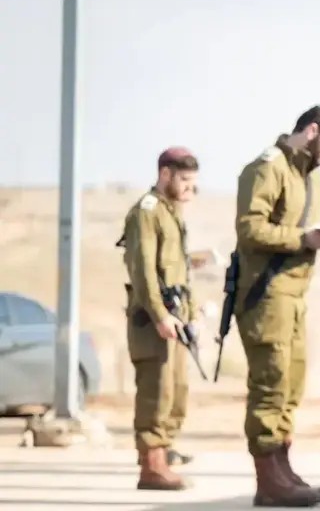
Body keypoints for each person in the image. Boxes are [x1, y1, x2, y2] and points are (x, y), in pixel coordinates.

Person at [234, 105, 320, 507]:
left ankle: (282, 468)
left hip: (294, 296)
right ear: (312, 130)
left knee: (290, 385)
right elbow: (250, 228)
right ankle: (268, 480)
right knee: (270, 385)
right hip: (266, 295)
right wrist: (304, 239)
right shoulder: (268, 167)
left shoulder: (309, 176)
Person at [119, 147, 200, 490]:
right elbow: (143, 271)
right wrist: (160, 314)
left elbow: (179, 270)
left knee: (176, 390)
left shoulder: (171, 213)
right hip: (153, 320)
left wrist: (191, 314)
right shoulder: (147, 212)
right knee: (156, 391)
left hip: (175, 317)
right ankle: (151, 466)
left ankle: (164, 454)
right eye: (184, 180)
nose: (190, 189)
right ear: (165, 174)